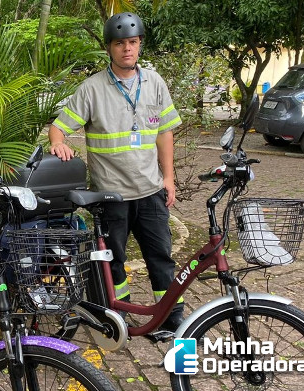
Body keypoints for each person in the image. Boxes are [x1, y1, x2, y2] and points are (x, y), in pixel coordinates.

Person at [48, 12, 184, 332]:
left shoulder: (155, 82)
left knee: (161, 258)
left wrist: (168, 178)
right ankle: (115, 317)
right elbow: (58, 128)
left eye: (133, 42)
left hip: (150, 190)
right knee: (113, 261)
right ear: (109, 47)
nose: (127, 49)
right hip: (111, 195)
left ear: (139, 46)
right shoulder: (92, 88)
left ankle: (170, 320)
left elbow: (165, 132)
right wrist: (58, 144)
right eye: (120, 43)